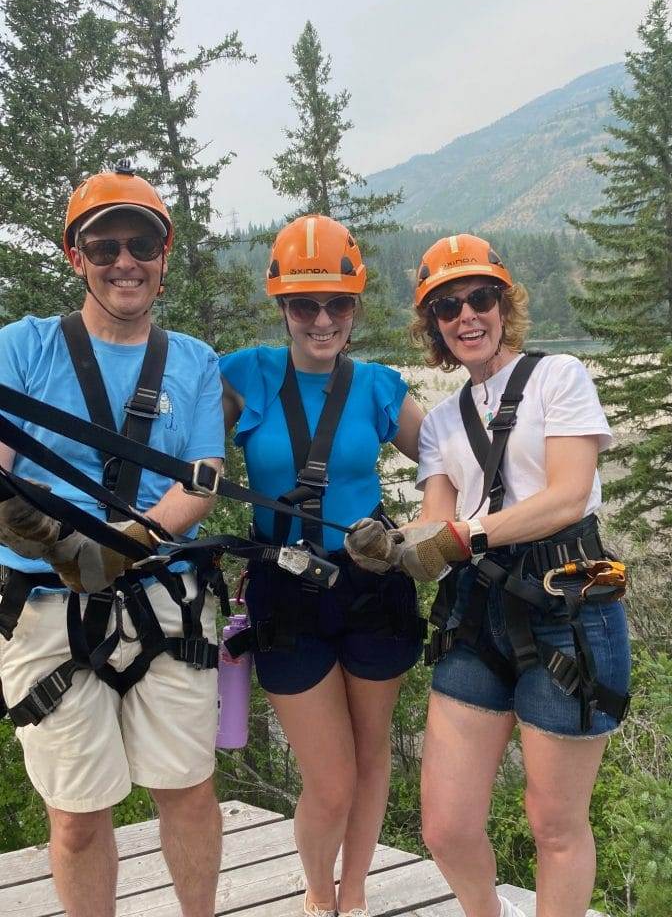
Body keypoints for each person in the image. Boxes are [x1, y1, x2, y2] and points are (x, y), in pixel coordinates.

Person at [346, 234, 631, 917]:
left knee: (555, 824)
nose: (466, 315)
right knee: (445, 825)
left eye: (480, 298)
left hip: (568, 605)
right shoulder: (443, 422)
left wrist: (458, 537)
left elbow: (566, 495)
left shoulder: (558, 377)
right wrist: (394, 543)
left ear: (504, 304)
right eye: (448, 306)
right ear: (434, 324)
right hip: (475, 612)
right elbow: (435, 521)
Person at [0, 162, 225, 917]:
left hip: (161, 596)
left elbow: (202, 479)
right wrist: (42, 532)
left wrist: (126, 541)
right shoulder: (23, 349)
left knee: (189, 792)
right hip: (45, 599)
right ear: (77, 258)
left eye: (141, 246)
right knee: (75, 817)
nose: (124, 261)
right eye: (105, 248)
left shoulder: (191, 361)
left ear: (162, 260)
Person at [220, 214, 424, 917]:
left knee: (372, 762)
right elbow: (183, 445)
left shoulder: (377, 386)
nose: (322, 319)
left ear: (356, 306)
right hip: (286, 590)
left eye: (338, 303)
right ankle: (316, 892)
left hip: (370, 582)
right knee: (330, 780)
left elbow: (456, 462)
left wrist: (440, 535)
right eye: (305, 304)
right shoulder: (244, 375)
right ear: (281, 306)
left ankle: (356, 895)